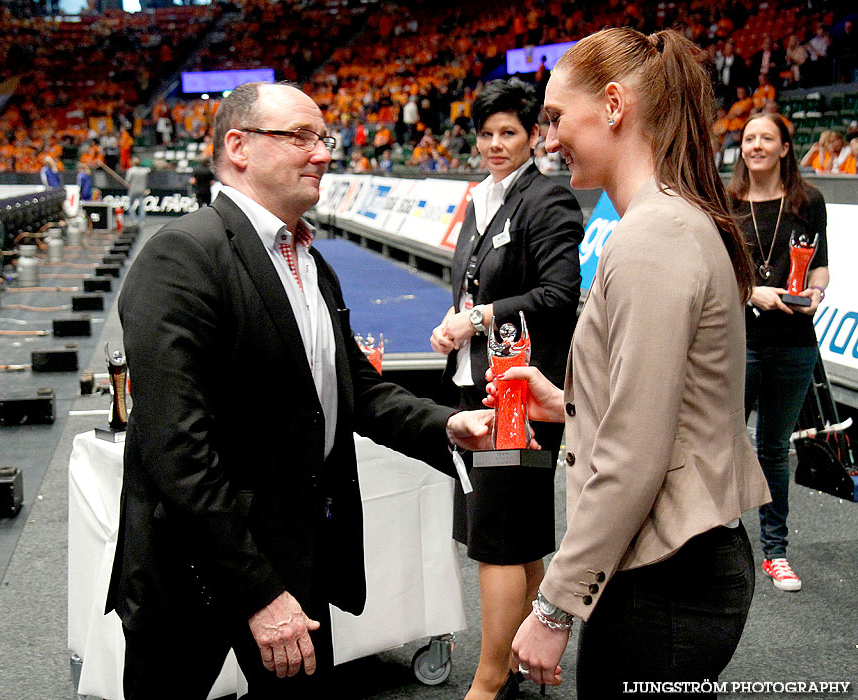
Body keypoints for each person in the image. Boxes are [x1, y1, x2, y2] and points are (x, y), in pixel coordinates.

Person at [105, 81, 492, 700]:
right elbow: (178, 451)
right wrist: (257, 590)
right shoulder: (182, 256)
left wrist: (445, 425)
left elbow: (353, 389)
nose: (322, 153)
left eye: (324, 138)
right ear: (238, 146)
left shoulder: (311, 260)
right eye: (300, 137)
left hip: (299, 550)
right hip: (201, 565)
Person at [504, 28, 771, 698]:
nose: (548, 137)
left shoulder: (654, 234)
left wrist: (554, 605)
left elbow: (636, 454)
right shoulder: (670, 222)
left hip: (666, 579)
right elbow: (663, 405)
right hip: (675, 566)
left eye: (556, 118)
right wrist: (568, 404)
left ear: (615, 106)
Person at [430, 78, 583, 700]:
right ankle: (521, 663)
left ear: (534, 137)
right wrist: (454, 322)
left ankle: (489, 681)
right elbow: (473, 287)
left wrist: (481, 317)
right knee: (515, 535)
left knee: (496, 539)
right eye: (487, 133)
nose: (496, 144)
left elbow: (558, 296)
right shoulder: (481, 199)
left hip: (519, 394)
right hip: (480, 388)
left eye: (509, 133)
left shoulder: (547, 199)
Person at [727, 112, 829, 592]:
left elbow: (821, 267)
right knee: (725, 442)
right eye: (749, 138)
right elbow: (717, 273)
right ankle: (720, 540)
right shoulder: (725, 202)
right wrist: (753, 293)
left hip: (794, 344)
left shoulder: (809, 202)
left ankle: (775, 551)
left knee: (772, 448)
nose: (757, 145)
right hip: (739, 342)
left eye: (767, 138)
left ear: (785, 148)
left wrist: (817, 292)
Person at [124, 156, 150, 228]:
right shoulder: (144, 171)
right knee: (142, 206)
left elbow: (127, 181)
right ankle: (142, 221)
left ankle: (134, 220)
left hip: (133, 190)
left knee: (130, 206)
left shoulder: (131, 171)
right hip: (142, 190)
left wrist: (127, 184)